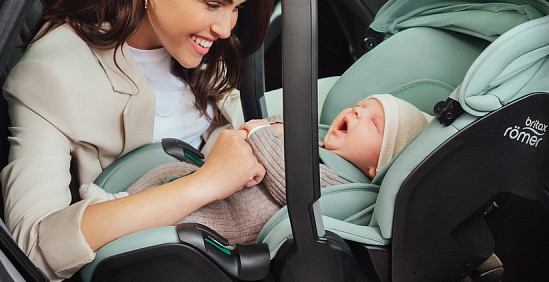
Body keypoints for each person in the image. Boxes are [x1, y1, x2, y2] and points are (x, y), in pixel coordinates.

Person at [1, 0, 277, 282]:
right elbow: (31, 244)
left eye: (236, 7)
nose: (225, 28)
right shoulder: (51, 77)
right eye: (213, 4)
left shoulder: (194, 41)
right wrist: (207, 183)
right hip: (160, 276)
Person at [82, 94, 433, 244]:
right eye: (360, 106)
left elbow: (291, 180)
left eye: (373, 122)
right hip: (220, 184)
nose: (358, 112)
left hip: (227, 219)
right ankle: (117, 201)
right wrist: (272, 128)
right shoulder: (319, 141)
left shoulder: (344, 185)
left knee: (188, 213)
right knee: (166, 174)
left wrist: (261, 132)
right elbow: (277, 129)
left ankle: (120, 224)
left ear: (375, 166)